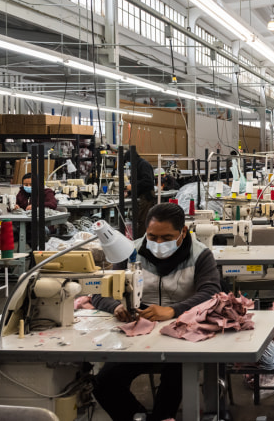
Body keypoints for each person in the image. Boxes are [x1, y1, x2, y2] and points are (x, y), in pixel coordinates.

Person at [91, 203, 221, 420]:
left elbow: (211, 293)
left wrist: (172, 310)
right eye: (152, 237)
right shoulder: (128, 251)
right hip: (137, 337)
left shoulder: (200, 255)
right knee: (104, 382)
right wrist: (117, 307)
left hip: (183, 332)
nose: (158, 243)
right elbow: (99, 292)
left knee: (176, 374)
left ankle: (162, 416)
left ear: (183, 232)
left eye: (167, 237)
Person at [123, 150, 156, 235]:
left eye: (128, 161)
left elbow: (148, 182)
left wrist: (133, 185)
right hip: (142, 195)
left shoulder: (143, 164)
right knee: (141, 220)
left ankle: (142, 243)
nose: (128, 163)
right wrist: (129, 193)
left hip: (146, 197)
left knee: (143, 221)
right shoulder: (137, 165)